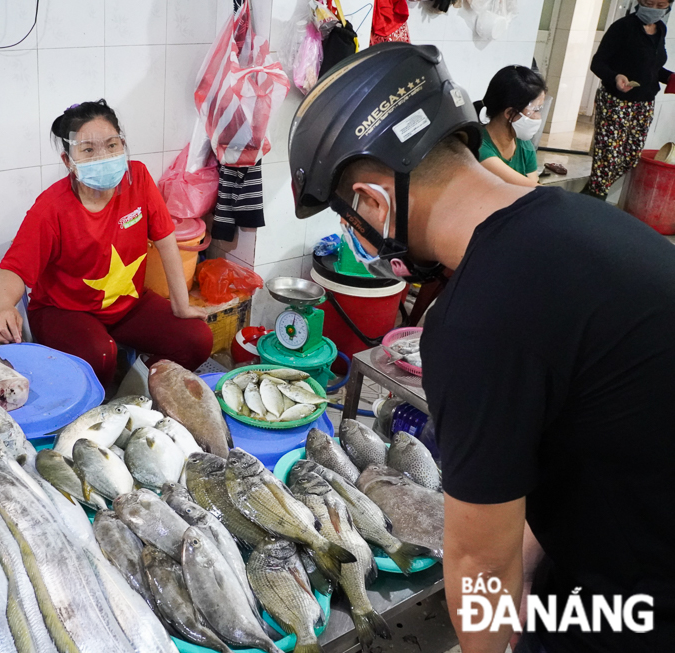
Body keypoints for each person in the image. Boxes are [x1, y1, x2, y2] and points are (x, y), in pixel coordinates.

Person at [288, 42, 674, 652]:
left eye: (345, 216)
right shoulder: (584, 221)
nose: (352, 234)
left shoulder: (477, 320)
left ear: (372, 203)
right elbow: (579, 437)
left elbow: (479, 569)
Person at [0, 99, 213, 387]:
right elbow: (13, 270)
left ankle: (143, 384)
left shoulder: (138, 178)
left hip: (128, 305)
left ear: (123, 145)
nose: (103, 157)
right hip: (64, 312)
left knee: (196, 339)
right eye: (88, 150)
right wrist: (4, 308)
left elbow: (166, 240)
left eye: (111, 145)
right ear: (69, 162)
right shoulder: (52, 208)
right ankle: (99, 403)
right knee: (100, 355)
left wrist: (181, 305)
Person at [583, 0, 672, 199]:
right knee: (608, 158)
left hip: (644, 103)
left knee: (630, 158)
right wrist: (615, 77)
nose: (654, 9)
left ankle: (590, 193)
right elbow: (598, 63)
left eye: (660, 5)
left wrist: (670, 78)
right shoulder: (622, 28)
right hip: (616, 102)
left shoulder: (661, 30)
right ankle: (594, 201)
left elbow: (652, 67)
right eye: (649, 3)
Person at [475, 65, 546, 187]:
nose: (538, 117)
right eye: (535, 110)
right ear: (510, 113)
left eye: (540, 109)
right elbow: (535, 191)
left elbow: (535, 190)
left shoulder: (524, 146)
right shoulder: (479, 148)